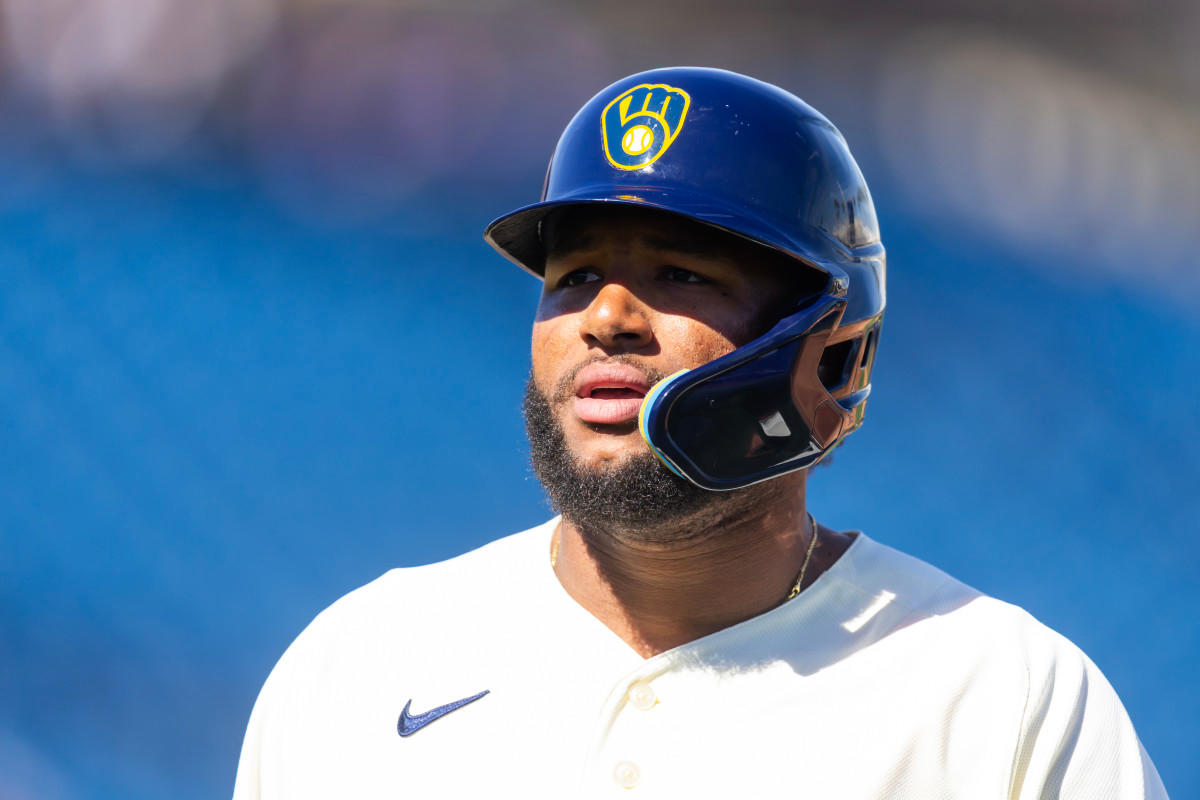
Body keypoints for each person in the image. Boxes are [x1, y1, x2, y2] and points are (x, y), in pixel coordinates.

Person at [233, 67, 1167, 799]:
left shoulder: (1000, 696)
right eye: (572, 276)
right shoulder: (357, 663)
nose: (605, 316)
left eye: (681, 275)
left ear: (827, 352)